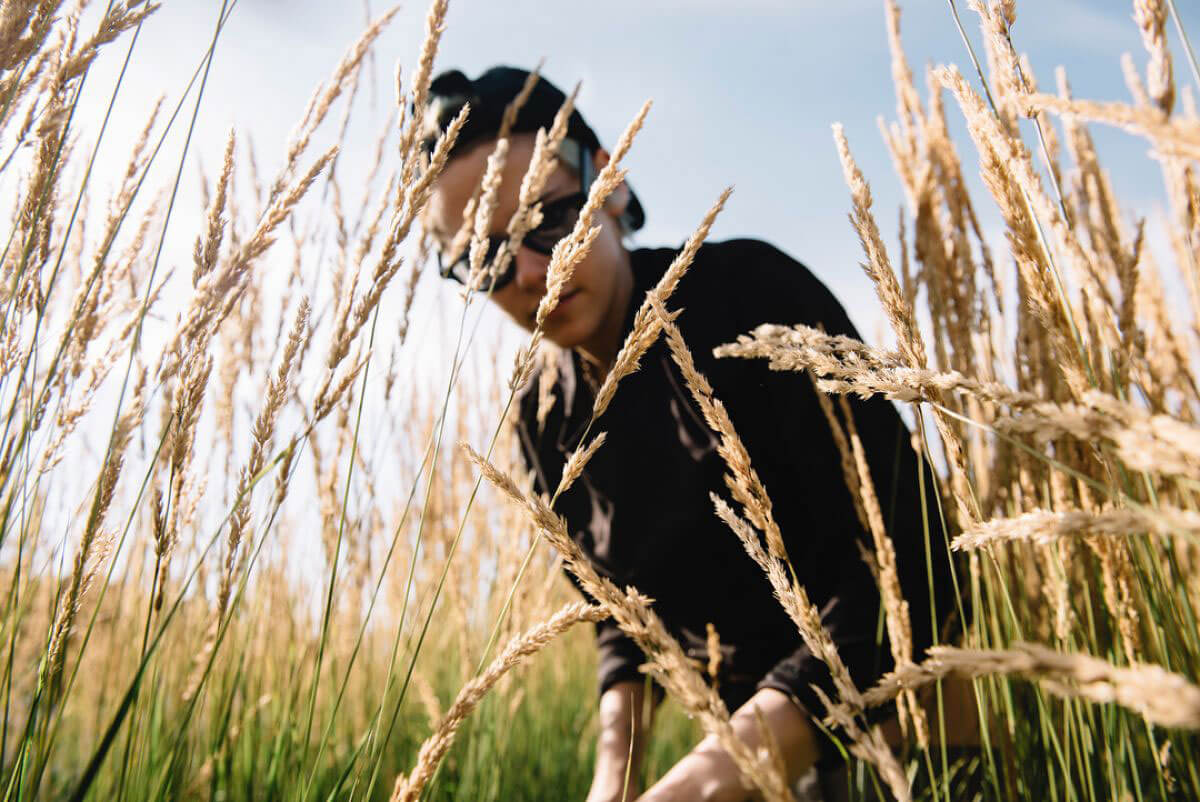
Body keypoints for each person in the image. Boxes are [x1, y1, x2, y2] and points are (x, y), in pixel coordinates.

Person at [421, 66, 961, 802]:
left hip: (911, 740)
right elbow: (620, 622)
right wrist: (613, 783)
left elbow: (918, 564)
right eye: (482, 258)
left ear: (607, 184)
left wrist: (707, 781)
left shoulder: (750, 295)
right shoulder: (542, 414)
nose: (527, 270)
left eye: (546, 218)